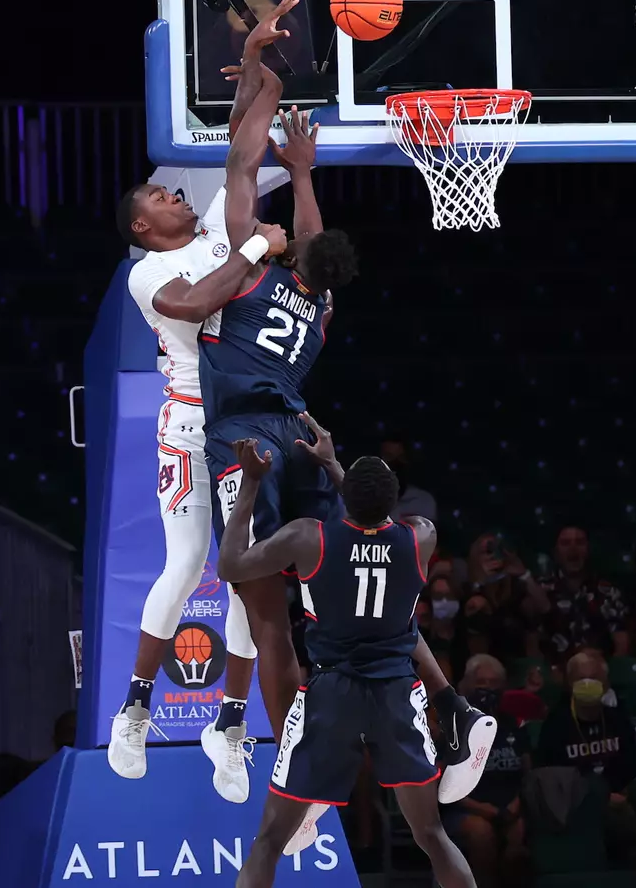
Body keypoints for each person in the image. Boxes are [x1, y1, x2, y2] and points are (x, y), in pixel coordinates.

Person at [197, 66, 490, 806]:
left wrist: (266, 107)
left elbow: (238, 166)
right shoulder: (319, 302)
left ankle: (294, 773)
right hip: (303, 433)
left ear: (286, 252)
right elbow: (315, 240)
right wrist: (301, 173)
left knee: (267, 614)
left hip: (251, 440)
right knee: (370, 583)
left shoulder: (248, 276)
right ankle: (448, 701)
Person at [109, 0, 298, 794]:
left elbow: (246, 147)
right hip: (190, 421)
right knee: (187, 564)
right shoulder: (148, 273)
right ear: (142, 230)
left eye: (174, 193)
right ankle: (136, 712)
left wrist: (258, 63)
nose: (175, 197)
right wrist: (256, 241)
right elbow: (196, 304)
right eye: (160, 199)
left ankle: (230, 723)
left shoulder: (221, 227)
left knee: (248, 568)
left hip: (243, 419)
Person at [216, 436, 477, 888]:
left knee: (269, 841)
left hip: (330, 695)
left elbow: (230, 564)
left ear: (345, 496)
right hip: (396, 693)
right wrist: (337, 467)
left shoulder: (309, 536)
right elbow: (382, 521)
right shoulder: (420, 537)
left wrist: (252, 484)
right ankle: (458, 711)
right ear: (393, 499)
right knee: (432, 835)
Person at [534, 652, 636, 868]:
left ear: (606, 683)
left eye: (594, 678)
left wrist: (620, 792)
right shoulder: (556, 723)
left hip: (618, 797)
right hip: (574, 801)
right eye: (580, 679)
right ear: (569, 684)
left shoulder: (618, 718)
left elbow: (632, 764)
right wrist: (599, 796)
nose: (587, 684)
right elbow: (551, 774)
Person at [444, 655, 529, 888]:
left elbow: (529, 775)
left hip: (511, 807)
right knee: (482, 833)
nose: (488, 689)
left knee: (521, 833)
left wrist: (516, 805)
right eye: (482, 682)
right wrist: (484, 809)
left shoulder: (514, 726)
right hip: (466, 809)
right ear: (467, 686)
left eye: (494, 683)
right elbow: (445, 786)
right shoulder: (453, 727)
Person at [538, 526, 627, 663]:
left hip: (598, 669)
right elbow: (531, 639)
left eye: (579, 542)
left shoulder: (607, 591)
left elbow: (622, 642)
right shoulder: (540, 589)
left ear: (588, 549)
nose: (573, 548)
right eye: (566, 543)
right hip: (554, 673)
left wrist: (610, 671)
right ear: (555, 552)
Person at [380, 433, 438, 524]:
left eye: (401, 458)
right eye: (389, 457)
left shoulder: (423, 501)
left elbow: (429, 537)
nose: (396, 464)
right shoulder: (360, 501)